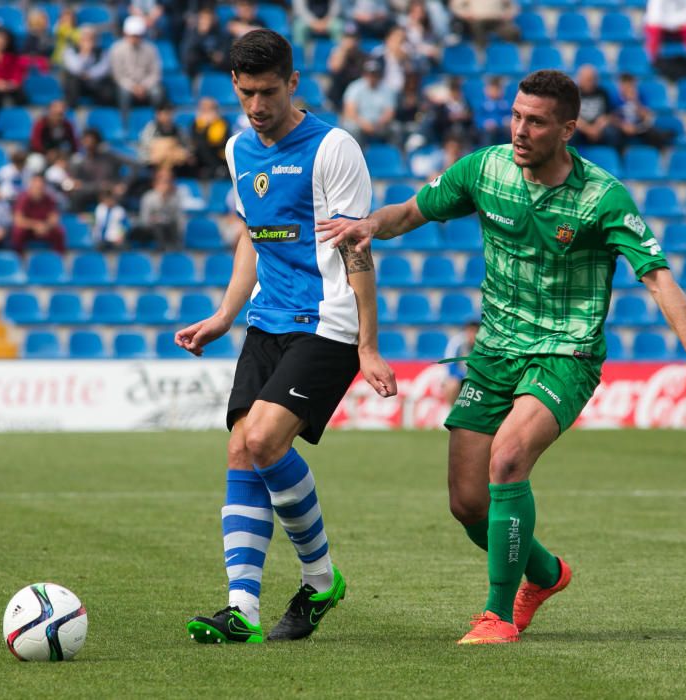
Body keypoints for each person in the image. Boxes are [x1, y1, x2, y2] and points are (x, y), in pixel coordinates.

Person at [318, 69, 686, 645]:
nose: (519, 130)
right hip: (494, 351)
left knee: (508, 461)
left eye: (535, 121)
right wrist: (370, 224)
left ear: (568, 129)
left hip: (566, 353)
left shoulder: (602, 197)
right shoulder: (485, 169)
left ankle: (497, 616)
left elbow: (659, 279)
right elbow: (412, 212)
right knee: (467, 504)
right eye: (516, 116)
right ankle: (545, 574)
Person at [177, 29, 397, 645]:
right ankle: (242, 608)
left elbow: (357, 243)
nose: (256, 106)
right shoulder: (238, 150)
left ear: (293, 83)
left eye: (268, 92)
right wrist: (225, 315)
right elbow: (250, 235)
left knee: (266, 439)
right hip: (266, 318)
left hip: (328, 321)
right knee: (241, 448)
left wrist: (369, 345)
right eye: (246, 93)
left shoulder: (333, 148)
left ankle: (320, 578)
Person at [109, 16, 164, 120]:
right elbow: (118, 75)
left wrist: (144, 86)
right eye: (132, 35)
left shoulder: (151, 49)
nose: (135, 38)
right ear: (125, 34)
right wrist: (133, 87)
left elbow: (156, 73)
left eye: (137, 35)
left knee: (157, 92)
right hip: (127, 85)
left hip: (146, 85)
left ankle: (157, 122)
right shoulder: (116, 49)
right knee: (123, 93)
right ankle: (125, 123)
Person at [341, 58, 398, 145]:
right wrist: (364, 124)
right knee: (353, 129)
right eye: (369, 74)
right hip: (359, 123)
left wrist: (378, 124)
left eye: (375, 74)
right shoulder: (355, 87)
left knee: (396, 129)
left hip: (378, 124)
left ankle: (394, 156)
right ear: (364, 74)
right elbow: (350, 112)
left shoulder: (386, 89)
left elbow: (389, 112)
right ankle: (357, 155)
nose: (372, 77)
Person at [611, 73, 674, 150]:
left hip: (638, 127)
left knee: (653, 134)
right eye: (625, 86)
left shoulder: (641, 96)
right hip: (622, 128)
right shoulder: (614, 98)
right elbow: (612, 117)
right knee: (613, 135)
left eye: (631, 86)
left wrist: (635, 101)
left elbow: (646, 116)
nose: (628, 89)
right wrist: (623, 126)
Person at [60, 26, 115, 108]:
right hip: (78, 83)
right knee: (70, 78)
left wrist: (90, 75)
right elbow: (75, 68)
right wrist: (85, 54)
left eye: (90, 39)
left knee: (107, 86)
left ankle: (101, 111)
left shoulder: (102, 52)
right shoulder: (69, 51)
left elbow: (103, 68)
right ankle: (72, 108)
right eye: (84, 39)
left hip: (95, 83)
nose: (87, 42)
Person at [131, 167, 185, 250]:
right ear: (155, 184)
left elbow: (178, 216)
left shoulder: (174, 197)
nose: (166, 186)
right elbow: (144, 218)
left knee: (173, 225)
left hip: (168, 227)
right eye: (163, 182)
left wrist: (166, 199)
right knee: (158, 226)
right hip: (151, 228)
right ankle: (161, 248)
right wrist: (160, 199)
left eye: (168, 182)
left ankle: (176, 248)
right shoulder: (148, 197)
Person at [12, 173, 66, 254]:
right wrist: (35, 226)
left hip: (45, 228)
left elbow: (54, 218)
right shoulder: (23, 198)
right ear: (31, 185)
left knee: (59, 232)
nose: (38, 187)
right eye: (36, 185)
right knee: (18, 232)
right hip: (29, 229)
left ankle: (58, 258)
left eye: (41, 185)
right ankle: (18, 258)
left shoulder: (49, 198)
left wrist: (45, 226)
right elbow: (18, 220)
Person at [572, 64, 620, 149]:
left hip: (599, 127)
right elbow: (572, 117)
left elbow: (607, 115)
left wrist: (596, 128)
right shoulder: (573, 93)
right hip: (581, 127)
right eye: (587, 79)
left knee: (612, 132)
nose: (590, 82)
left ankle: (612, 157)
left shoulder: (603, 93)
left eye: (592, 79)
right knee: (570, 132)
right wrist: (588, 130)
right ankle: (570, 158)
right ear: (580, 79)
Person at [442, 318, 479, 406]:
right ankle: (452, 414)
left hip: (478, 379)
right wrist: (464, 377)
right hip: (460, 378)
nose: (472, 335)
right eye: (470, 331)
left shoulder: (485, 344)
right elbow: (450, 366)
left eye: (475, 332)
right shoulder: (457, 342)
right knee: (451, 385)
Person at [475, 76, 511, 147]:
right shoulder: (482, 104)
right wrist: (484, 123)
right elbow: (478, 119)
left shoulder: (505, 104)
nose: (495, 91)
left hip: (502, 129)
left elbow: (509, 116)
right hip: (487, 132)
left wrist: (507, 120)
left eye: (497, 89)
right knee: (488, 135)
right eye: (492, 89)